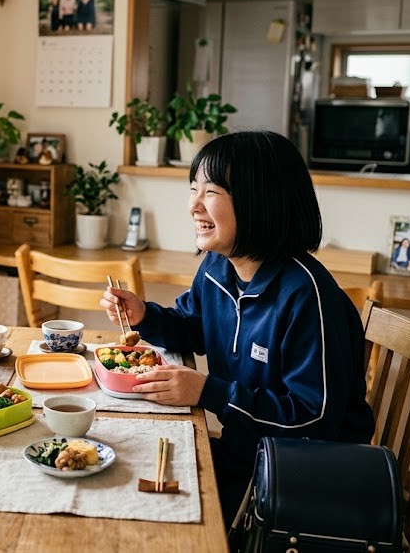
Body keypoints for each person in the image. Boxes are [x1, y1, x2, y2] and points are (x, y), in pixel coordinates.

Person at [100, 131, 375, 523]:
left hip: (298, 485)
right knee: (120, 466)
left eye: (210, 191)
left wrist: (208, 391)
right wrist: (144, 314)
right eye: (193, 188)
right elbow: (190, 327)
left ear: (259, 200)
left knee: (143, 509)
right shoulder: (217, 267)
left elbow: (314, 419)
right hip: (244, 454)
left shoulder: (307, 297)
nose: (194, 204)